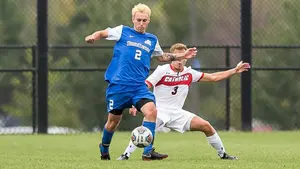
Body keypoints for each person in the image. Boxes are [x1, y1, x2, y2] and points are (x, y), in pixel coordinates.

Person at [84, 4, 197, 161]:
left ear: (148, 21)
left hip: (139, 87)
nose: (141, 23)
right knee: (113, 123)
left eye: (144, 20)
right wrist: (94, 36)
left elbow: (161, 57)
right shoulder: (123, 31)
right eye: (138, 20)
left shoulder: (151, 39)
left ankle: (147, 152)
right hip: (119, 86)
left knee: (152, 112)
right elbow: (103, 32)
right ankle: (104, 147)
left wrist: (180, 56)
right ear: (133, 19)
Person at [117, 43, 251, 160]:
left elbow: (213, 77)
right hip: (159, 111)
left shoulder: (190, 73)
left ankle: (223, 154)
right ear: (172, 58)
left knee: (206, 126)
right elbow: (145, 85)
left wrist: (235, 70)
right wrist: (135, 103)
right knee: (144, 131)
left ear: (186, 59)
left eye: (183, 57)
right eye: (177, 57)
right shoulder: (162, 71)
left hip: (177, 113)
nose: (180, 61)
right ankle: (126, 155)